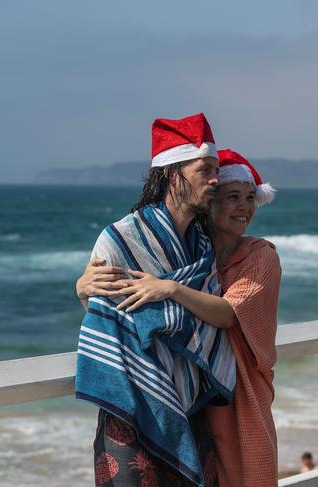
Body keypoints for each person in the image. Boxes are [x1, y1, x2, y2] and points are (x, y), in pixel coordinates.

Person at [78, 148, 281, 487]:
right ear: (210, 201)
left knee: (250, 476)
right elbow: (111, 306)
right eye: (232, 197)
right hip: (196, 401)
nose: (244, 207)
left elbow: (229, 314)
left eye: (249, 198)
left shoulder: (260, 256)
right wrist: (82, 288)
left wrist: (171, 289)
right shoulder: (192, 252)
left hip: (239, 396)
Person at [75, 113, 231, 487]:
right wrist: (81, 288)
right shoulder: (120, 239)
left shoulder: (203, 246)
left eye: (217, 170)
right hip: (131, 413)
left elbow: (219, 316)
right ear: (174, 174)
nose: (215, 180)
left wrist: (170, 290)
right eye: (204, 170)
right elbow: (101, 312)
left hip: (188, 409)